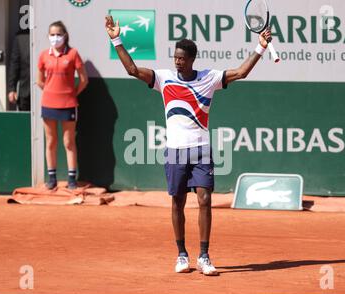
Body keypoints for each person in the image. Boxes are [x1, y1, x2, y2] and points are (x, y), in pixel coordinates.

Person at [105, 15, 272, 275]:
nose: (177, 61)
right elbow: (133, 70)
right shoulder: (164, 78)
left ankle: (204, 256)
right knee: (177, 202)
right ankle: (181, 254)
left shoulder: (210, 78)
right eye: (175, 57)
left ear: (192, 58)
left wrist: (260, 46)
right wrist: (116, 38)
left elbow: (241, 72)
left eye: (182, 58)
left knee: (205, 199)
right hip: (175, 150)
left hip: (201, 148)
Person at [36, 21, 88, 190]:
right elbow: (39, 81)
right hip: (48, 104)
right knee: (51, 141)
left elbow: (83, 80)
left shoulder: (73, 54)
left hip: (68, 104)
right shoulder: (44, 55)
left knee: (68, 142)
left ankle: (72, 179)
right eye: (52, 35)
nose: (55, 38)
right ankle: (52, 179)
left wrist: (71, 94)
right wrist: (51, 91)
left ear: (65, 35)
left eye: (58, 34)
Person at [8, 29, 31, 111]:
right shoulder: (21, 38)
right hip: (25, 92)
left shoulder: (49, 35)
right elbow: (15, 64)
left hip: (46, 93)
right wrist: (12, 89)